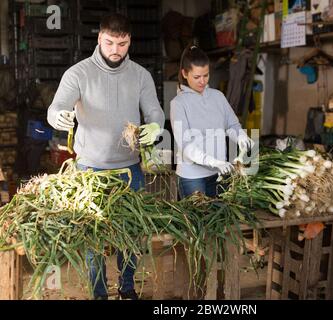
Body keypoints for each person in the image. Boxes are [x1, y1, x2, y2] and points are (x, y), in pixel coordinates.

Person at [47, 13, 165, 300]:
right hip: (90, 170)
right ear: (99, 38)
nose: (115, 50)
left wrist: (155, 126)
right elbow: (56, 106)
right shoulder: (78, 73)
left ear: (129, 42)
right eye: (110, 42)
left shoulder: (140, 75)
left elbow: (155, 112)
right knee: (93, 237)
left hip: (129, 170)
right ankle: (99, 292)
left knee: (131, 233)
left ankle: (127, 288)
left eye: (122, 44)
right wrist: (57, 116)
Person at [170, 45, 253, 199]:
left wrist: (241, 137)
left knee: (220, 219)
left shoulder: (218, 97)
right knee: (198, 221)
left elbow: (232, 124)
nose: (202, 81)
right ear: (185, 73)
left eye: (206, 75)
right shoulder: (178, 103)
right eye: (197, 77)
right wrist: (215, 162)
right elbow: (186, 146)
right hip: (192, 177)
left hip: (219, 174)